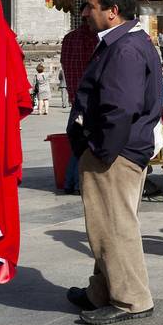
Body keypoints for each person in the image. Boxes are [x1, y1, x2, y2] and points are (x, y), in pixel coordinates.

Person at [66, 0, 163, 324]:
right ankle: (102, 290)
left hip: (115, 152)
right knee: (104, 224)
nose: (85, 12)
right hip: (118, 149)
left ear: (113, 11)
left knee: (115, 225)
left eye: (91, 5)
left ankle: (131, 299)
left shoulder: (125, 48)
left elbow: (120, 107)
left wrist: (101, 149)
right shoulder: (122, 41)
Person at [59, 15, 99, 195]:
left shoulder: (68, 39)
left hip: (75, 98)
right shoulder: (94, 38)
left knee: (77, 144)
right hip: (91, 100)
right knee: (85, 145)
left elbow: (64, 63)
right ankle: (78, 183)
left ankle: (69, 182)